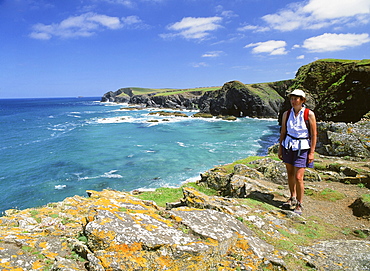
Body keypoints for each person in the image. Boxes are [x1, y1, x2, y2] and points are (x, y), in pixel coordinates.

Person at [278, 89, 317, 215]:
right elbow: (283, 132)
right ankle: (292, 197)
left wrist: (311, 152)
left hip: (303, 147)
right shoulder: (286, 114)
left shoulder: (309, 114)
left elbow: (314, 134)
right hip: (288, 146)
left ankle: (299, 204)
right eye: (292, 99)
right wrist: (280, 148)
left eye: (296, 99)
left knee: (298, 177)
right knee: (290, 173)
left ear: (302, 100)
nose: (293, 101)